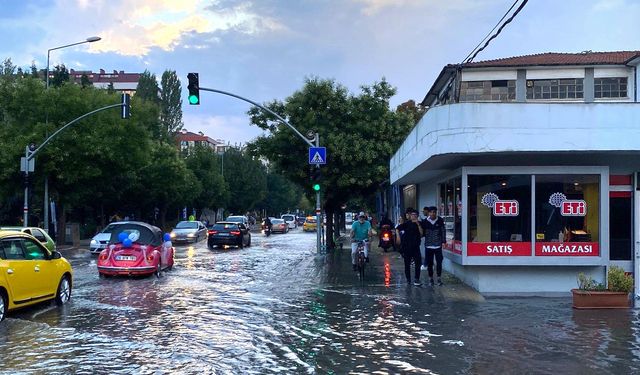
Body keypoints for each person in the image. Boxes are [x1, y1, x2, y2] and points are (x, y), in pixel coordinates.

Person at [396, 209, 423, 286]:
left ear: (417, 216)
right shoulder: (406, 223)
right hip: (406, 247)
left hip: (416, 246)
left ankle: (416, 279)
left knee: (418, 263)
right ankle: (408, 280)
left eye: (415, 215)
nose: (413, 216)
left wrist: (418, 224)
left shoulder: (420, 224)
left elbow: (421, 234)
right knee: (407, 264)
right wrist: (398, 237)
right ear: (410, 216)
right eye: (412, 215)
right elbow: (397, 229)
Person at [422, 206, 446, 286]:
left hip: (438, 246)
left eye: (434, 212)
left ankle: (439, 278)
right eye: (431, 212)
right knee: (430, 263)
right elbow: (422, 233)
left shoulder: (440, 220)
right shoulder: (425, 222)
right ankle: (430, 279)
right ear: (428, 213)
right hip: (428, 246)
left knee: (439, 262)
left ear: (436, 213)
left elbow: (443, 231)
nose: (433, 214)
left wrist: (443, 241)